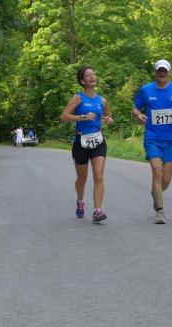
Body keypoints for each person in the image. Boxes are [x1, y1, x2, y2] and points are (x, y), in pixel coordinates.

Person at [132, 59, 172, 224]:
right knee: (156, 171)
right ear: (155, 72)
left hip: (171, 139)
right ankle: (160, 211)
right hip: (152, 137)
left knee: (165, 180)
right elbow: (135, 108)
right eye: (159, 70)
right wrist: (139, 115)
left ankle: (156, 192)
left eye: (164, 70)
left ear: (168, 72)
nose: (162, 73)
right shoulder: (146, 90)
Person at [60, 66, 113, 223]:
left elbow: (109, 117)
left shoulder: (103, 101)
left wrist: (109, 120)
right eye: (88, 75)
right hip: (81, 142)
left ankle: (97, 211)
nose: (92, 77)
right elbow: (64, 116)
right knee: (82, 179)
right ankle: (80, 201)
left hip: (98, 141)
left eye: (93, 75)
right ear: (82, 81)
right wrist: (82, 117)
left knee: (99, 175)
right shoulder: (78, 98)